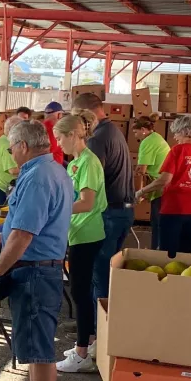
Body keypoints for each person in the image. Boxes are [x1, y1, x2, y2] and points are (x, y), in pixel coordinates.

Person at [0, 121, 73, 381]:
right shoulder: (51, 170)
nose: (10, 153)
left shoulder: (38, 177)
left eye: (11, 147)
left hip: (35, 269)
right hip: (40, 267)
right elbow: (17, 225)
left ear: (22, 145)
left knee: (38, 349)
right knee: (36, 345)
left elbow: (23, 234)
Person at [52, 110, 107, 375]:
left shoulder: (88, 162)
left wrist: (57, 210)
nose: (59, 144)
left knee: (80, 292)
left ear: (73, 135)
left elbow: (87, 202)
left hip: (87, 234)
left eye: (60, 138)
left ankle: (82, 351)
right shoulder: (76, 162)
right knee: (81, 291)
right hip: (78, 233)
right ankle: (90, 342)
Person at [72, 93, 133, 304]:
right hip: (122, 209)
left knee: (99, 274)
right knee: (109, 271)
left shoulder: (97, 140)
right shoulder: (113, 131)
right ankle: (103, 323)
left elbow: (90, 182)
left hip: (109, 213)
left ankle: (99, 328)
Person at [135, 115, 191, 256]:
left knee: (168, 254)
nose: (175, 137)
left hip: (174, 209)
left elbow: (164, 180)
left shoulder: (177, 150)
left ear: (184, 131)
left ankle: (168, 278)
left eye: (176, 133)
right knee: (185, 253)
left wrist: (141, 191)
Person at [133, 115, 170, 234]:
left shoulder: (147, 142)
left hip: (160, 186)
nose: (135, 136)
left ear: (143, 130)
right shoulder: (156, 137)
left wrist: (138, 194)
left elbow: (141, 172)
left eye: (135, 132)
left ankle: (156, 250)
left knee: (157, 223)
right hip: (165, 185)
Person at [0, 116, 23, 206]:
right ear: (14, 130)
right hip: (1, 190)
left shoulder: (3, 140)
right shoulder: (7, 144)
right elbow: (13, 170)